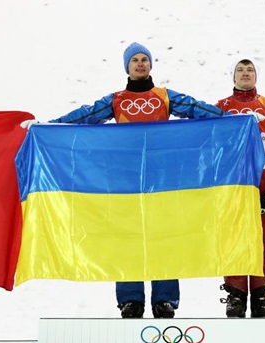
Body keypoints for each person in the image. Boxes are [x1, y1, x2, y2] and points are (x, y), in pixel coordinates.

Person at [21, 43, 227, 319]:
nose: (140, 64)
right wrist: (49, 127)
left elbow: (196, 108)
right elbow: (85, 116)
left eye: (144, 60)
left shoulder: (165, 96)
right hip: (125, 182)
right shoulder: (116, 99)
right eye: (135, 61)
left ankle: (164, 299)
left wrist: (233, 121)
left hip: (162, 182)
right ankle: (131, 299)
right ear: (127, 67)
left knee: (164, 237)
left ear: (151, 66)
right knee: (127, 237)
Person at [216, 58, 265, 318]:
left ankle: (261, 292)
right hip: (233, 186)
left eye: (250, 70)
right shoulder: (222, 108)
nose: (245, 73)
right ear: (233, 76)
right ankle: (236, 293)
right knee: (234, 237)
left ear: (257, 75)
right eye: (240, 69)